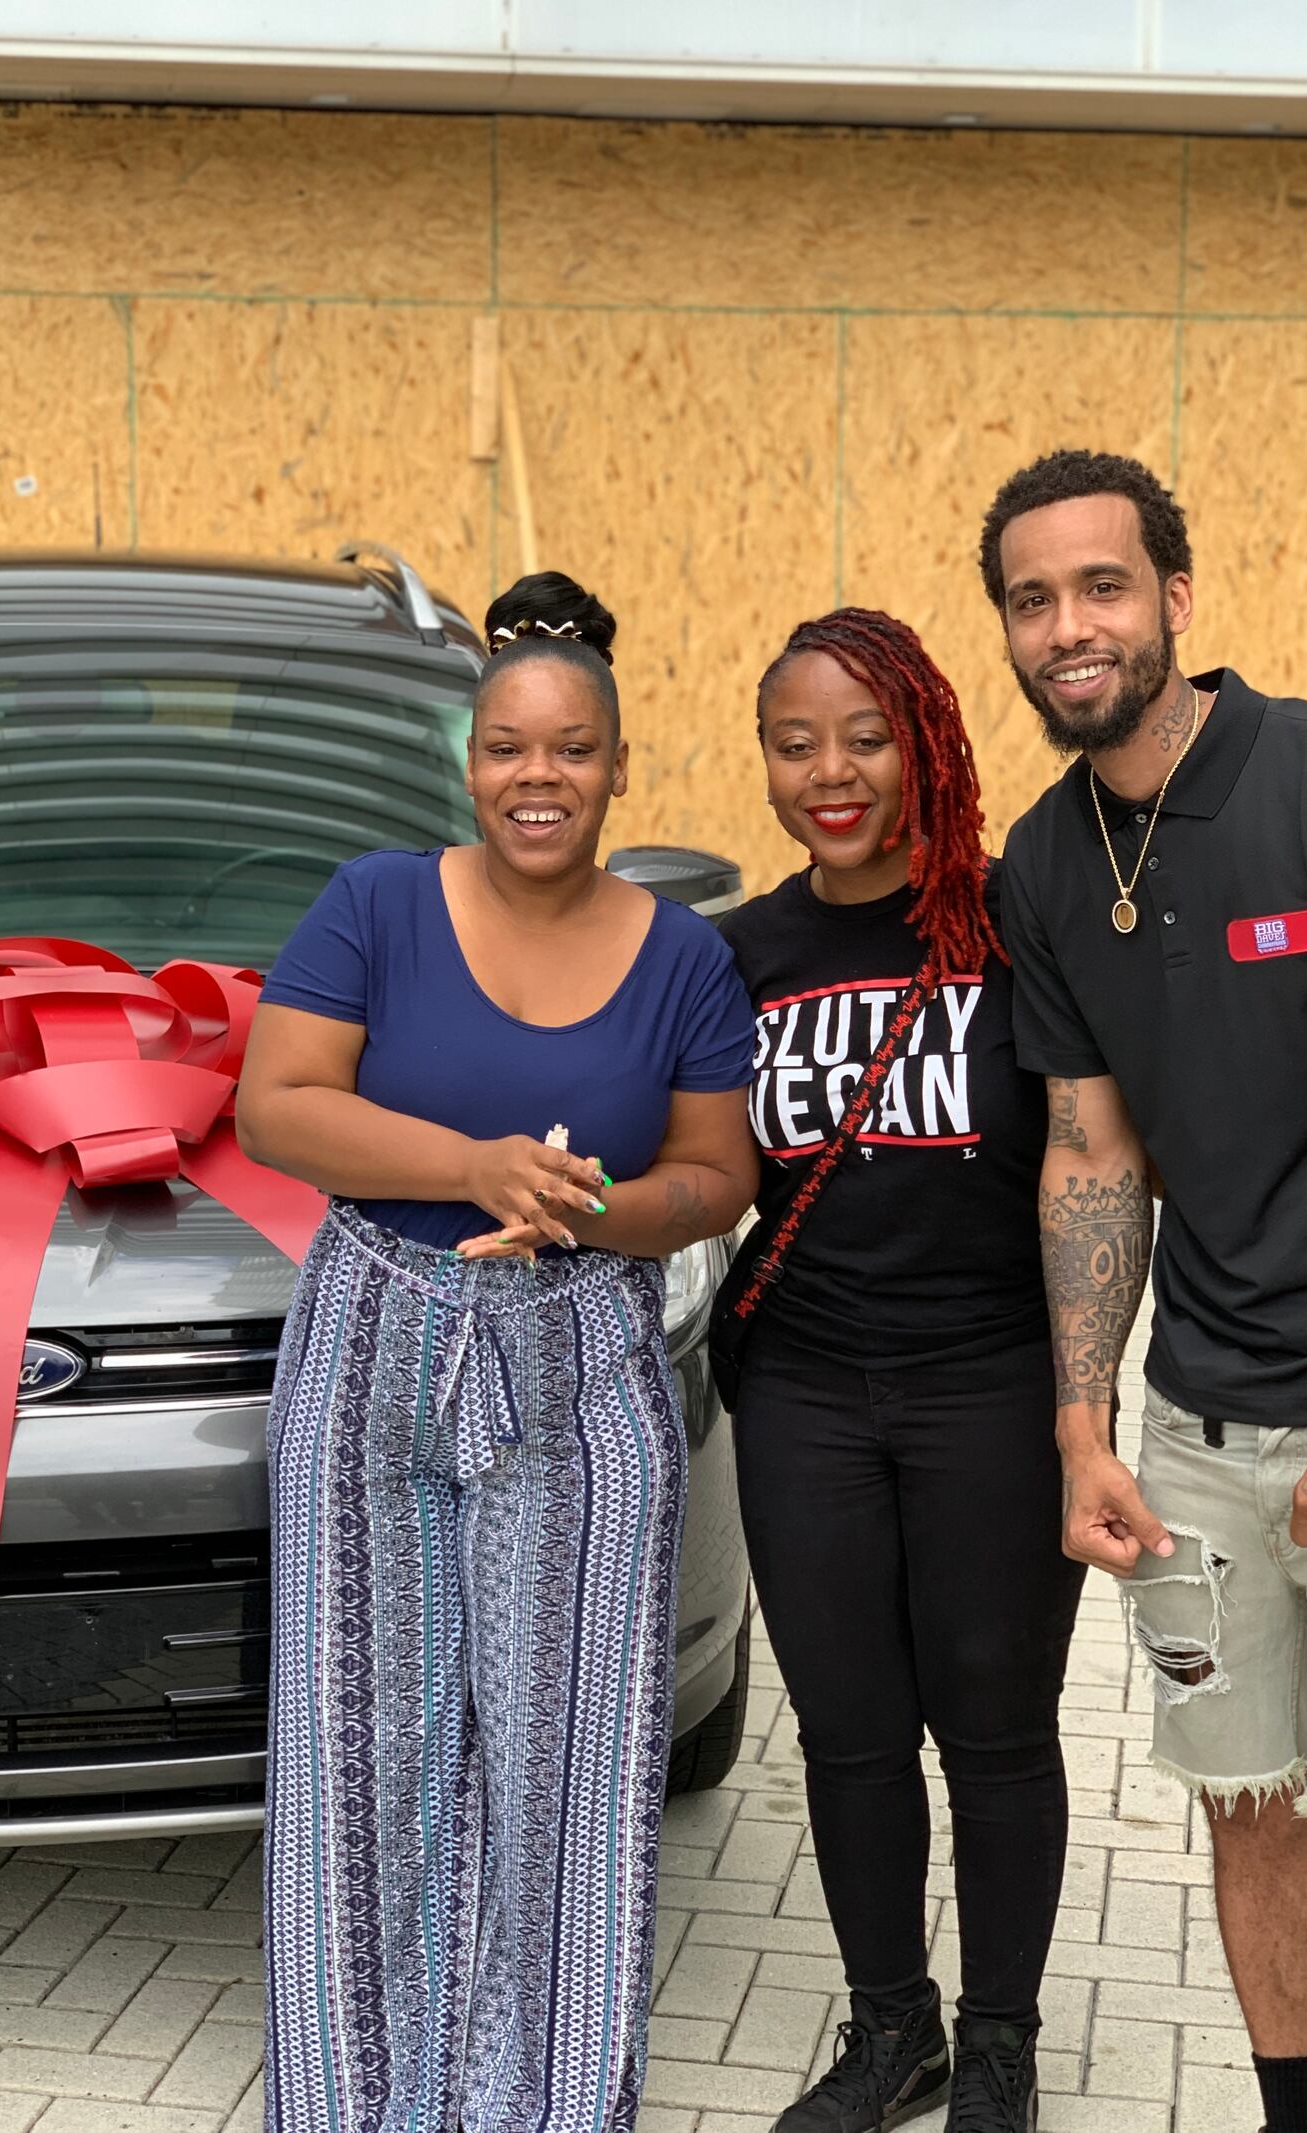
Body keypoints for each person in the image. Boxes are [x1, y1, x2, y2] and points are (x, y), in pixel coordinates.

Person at [237, 571, 758, 2133]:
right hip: (374, 1338)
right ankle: (362, 2101)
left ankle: (548, 2102)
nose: (541, 776)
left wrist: (593, 1207)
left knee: (568, 1752)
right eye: (510, 748)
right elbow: (277, 1106)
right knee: (364, 1745)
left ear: (619, 766)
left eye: (573, 749)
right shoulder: (375, 905)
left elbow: (718, 1174)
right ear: (469, 763)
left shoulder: (682, 958)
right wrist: (475, 1165)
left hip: (582, 1350)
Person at [986, 448, 1307, 2133]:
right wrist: (1083, 1428)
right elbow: (1091, 1155)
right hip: (1195, 1433)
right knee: (1251, 1808)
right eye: (1032, 600)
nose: (1069, 626)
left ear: (1175, 598)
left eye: (1102, 586)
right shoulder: (1044, 863)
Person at [717, 608, 1086, 2133]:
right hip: (804, 1391)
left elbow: (1092, 1149)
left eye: (866, 737)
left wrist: (1090, 1404)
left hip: (989, 1383)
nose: (832, 771)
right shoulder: (741, 952)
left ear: (927, 741)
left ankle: (998, 2043)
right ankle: (893, 2032)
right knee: (849, 1731)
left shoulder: (1011, 924)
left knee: (996, 1731)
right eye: (796, 743)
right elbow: (697, 1161)